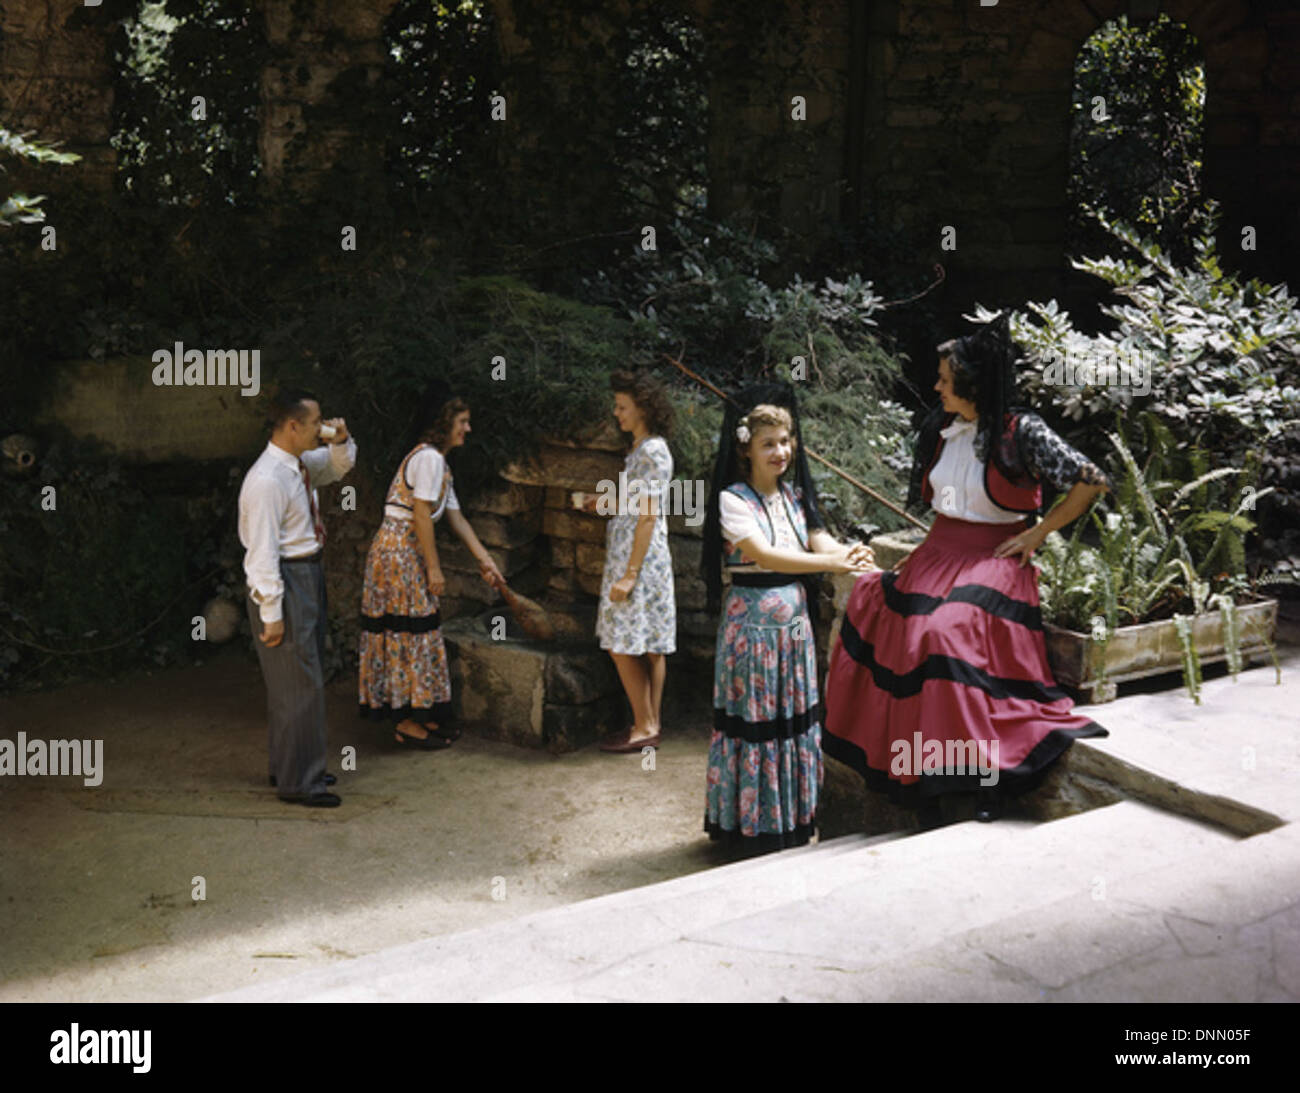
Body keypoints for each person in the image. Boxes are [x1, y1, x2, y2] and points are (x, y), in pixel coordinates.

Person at [823, 314, 1111, 829]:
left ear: (973, 384)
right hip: (940, 552)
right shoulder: (942, 429)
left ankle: (981, 776)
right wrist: (920, 553)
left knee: (942, 634)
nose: (935, 387)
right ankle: (920, 777)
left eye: (945, 379)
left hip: (995, 558)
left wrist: (1038, 533)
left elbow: (1092, 479)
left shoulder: (1022, 431)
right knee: (880, 610)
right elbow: (943, 510)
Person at [701, 386, 873, 853]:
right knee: (757, 721)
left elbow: (819, 542)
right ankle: (751, 829)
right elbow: (765, 554)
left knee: (791, 720)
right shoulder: (733, 501)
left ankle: (790, 821)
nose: (781, 451)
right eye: (768, 443)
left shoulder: (794, 497)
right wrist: (832, 566)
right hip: (753, 632)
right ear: (746, 450)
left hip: (791, 634)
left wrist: (850, 555)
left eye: (786, 440)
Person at [358, 388, 504, 747]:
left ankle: (419, 714)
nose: (468, 429)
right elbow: (421, 515)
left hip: (405, 552)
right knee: (409, 632)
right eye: (462, 422)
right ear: (444, 424)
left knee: (416, 632)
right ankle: (407, 723)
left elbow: (457, 520)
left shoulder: (441, 465)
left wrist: (486, 562)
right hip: (398, 553)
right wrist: (434, 569)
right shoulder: (428, 460)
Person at [239, 388, 356, 807]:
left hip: (306, 572)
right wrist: (271, 612)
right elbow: (261, 553)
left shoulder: (297, 465)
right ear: (292, 426)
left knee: (299, 679)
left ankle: (291, 766)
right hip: (287, 579)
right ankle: (299, 783)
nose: (319, 429)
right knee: (297, 684)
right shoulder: (268, 480)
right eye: (314, 423)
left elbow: (339, 467)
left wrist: (339, 440)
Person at [590, 370, 677, 753]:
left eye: (622, 406)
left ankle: (644, 724)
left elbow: (648, 515)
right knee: (650, 642)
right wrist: (605, 504)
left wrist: (629, 575)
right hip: (639, 554)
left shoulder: (653, 451)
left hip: (638, 558)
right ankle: (650, 725)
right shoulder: (641, 450)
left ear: (643, 407)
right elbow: (637, 504)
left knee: (621, 642)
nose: (616, 413)